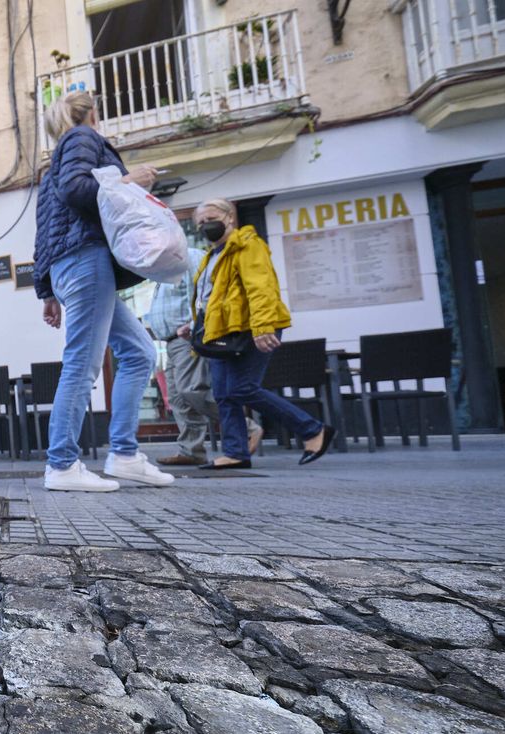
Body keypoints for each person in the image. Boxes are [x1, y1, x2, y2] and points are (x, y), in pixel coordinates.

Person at [33, 89, 174, 492]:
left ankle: (125, 456)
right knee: (82, 362)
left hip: (72, 265)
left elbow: (45, 231)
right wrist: (133, 180)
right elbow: (80, 191)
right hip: (85, 261)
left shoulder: (55, 160)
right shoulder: (82, 137)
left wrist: (46, 289)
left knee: (139, 352)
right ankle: (61, 465)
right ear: (93, 113)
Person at [188, 199, 335, 469]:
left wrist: (264, 326)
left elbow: (261, 287)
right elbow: (212, 298)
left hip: (249, 328)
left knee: (242, 388)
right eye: (199, 222)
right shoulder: (211, 256)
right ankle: (235, 453)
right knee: (224, 394)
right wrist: (196, 324)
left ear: (229, 217)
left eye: (210, 218)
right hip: (222, 331)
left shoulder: (247, 244)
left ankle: (312, 429)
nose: (204, 225)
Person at [142, 246, 219, 466]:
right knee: (177, 397)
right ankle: (191, 450)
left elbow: (205, 293)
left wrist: (194, 326)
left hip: (187, 337)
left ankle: (246, 426)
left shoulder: (189, 258)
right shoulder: (164, 264)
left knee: (191, 390)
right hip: (171, 341)